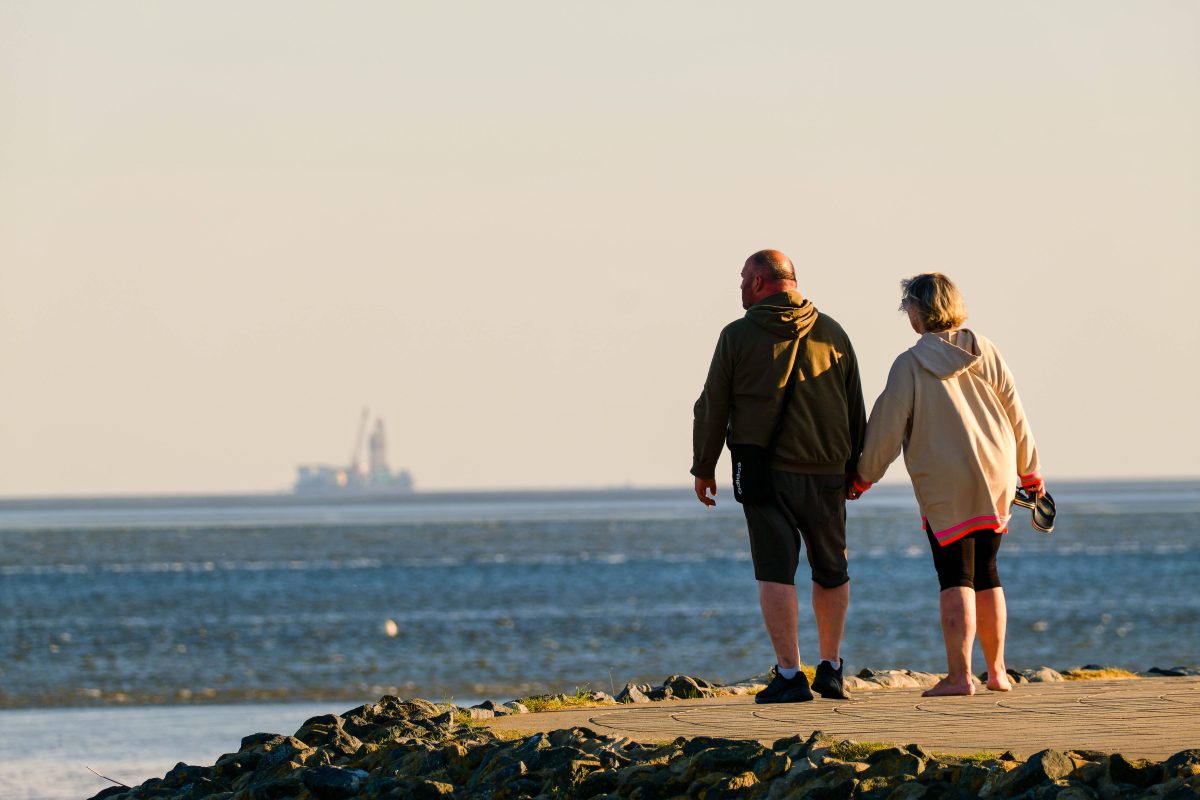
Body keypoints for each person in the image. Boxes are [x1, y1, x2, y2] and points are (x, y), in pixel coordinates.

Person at [848, 273, 1045, 697]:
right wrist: (1030, 472)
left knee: (955, 574)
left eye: (908, 309)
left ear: (918, 311)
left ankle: (959, 677)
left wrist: (863, 477)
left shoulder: (911, 364)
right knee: (988, 572)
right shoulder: (985, 349)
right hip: (996, 471)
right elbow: (1016, 412)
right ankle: (997, 672)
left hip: (944, 479)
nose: (908, 316)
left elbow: (886, 426)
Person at [692, 249, 866, 704]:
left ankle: (790, 675)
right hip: (827, 470)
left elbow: (713, 406)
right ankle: (830, 667)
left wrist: (704, 466)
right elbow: (855, 407)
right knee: (832, 569)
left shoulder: (737, 336)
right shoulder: (834, 332)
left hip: (764, 472)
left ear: (758, 283)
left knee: (775, 571)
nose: (739, 287)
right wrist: (856, 468)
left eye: (742, 278)